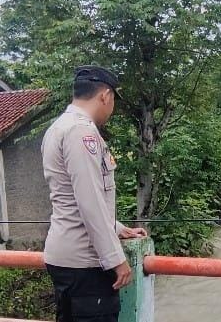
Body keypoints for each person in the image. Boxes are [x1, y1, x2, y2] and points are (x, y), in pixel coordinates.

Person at [41, 65, 147, 322]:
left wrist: (117, 228)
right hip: (85, 264)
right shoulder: (82, 132)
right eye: (114, 101)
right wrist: (116, 260)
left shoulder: (58, 128)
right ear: (105, 96)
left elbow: (72, 197)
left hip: (65, 257)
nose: (112, 109)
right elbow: (90, 201)